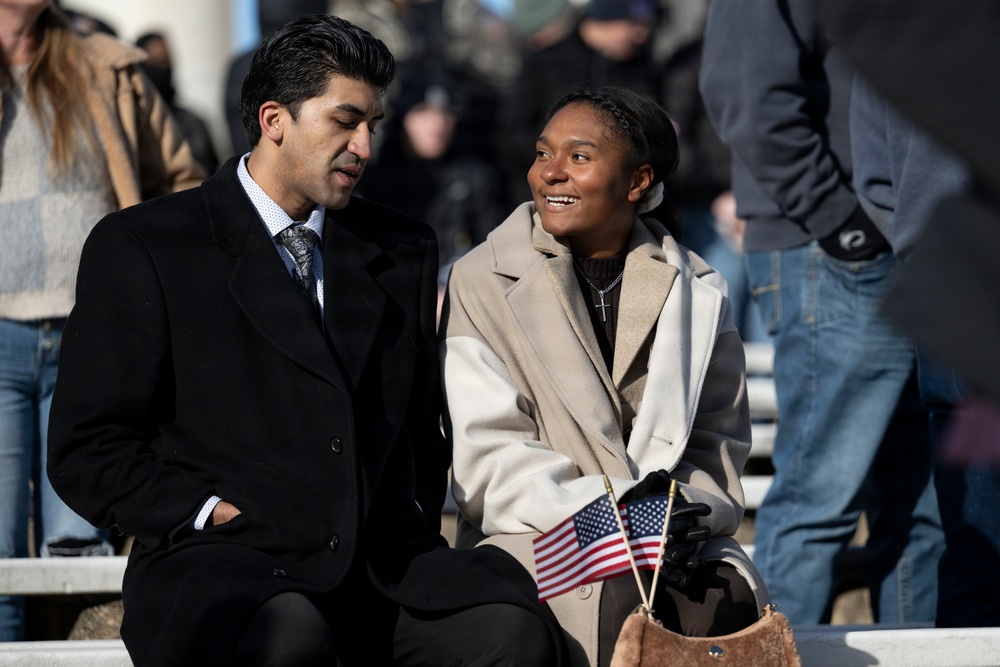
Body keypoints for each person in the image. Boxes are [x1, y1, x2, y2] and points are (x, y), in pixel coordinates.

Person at [48, 14, 563, 667]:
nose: (364, 146)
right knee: (288, 639)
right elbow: (88, 445)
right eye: (345, 121)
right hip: (225, 565)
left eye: (373, 123)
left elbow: (419, 432)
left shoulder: (403, 247)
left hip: (382, 571)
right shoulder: (147, 244)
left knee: (511, 631)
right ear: (274, 120)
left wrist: (402, 519)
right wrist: (206, 512)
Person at [441, 86, 767, 667]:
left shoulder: (699, 291)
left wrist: (680, 510)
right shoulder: (481, 279)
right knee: (615, 594)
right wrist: (618, 512)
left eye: (579, 157)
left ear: (638, 181)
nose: (550, 173)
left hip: (671, 535)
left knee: (722, 599)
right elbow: (487, 461)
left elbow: (717, 447)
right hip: (535, 531)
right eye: (543, 153)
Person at [699, 0, 944, 624]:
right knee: (820, 498)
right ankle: (777, 655)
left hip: (897, 238)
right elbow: (743, 91)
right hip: (828, 246)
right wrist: (838, 219)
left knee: (922, 503)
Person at [0, 0, 202, 642]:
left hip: (100, 337)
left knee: (81, 550)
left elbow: (181, 181)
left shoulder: (105, 67)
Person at [136, 32, 220, 175]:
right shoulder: (136, 123)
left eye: (166, 62)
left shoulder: (194, 122)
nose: (163, 69)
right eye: (155, 62)